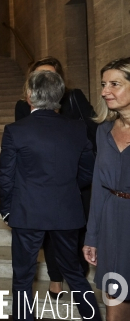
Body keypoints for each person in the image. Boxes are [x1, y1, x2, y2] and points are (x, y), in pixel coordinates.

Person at [0, 70, 101, 321]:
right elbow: (89, 169)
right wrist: (66, 188)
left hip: (26, 213)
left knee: (23, 278)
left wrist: (7, 209)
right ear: (59, 96)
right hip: (66, 212)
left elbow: (5, 176)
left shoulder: (16, 130)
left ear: (30, 95)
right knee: (74, 273)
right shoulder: (76, 129)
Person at [14, 56, 97, 296]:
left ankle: (76, 276)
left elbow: (95, 128)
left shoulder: (73, 97)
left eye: (50, 74)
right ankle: (55, 277)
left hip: (75, 178)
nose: (45, 80)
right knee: (48, 234)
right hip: (42, 181)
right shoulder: (23, 105)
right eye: (40, 75)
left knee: (74, 229)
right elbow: (25, 143)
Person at [84, 57, 130, 321]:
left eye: (115, 84)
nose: (104, 91)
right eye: (103, 84)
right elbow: (99, 187)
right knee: (116, 307)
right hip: (112, 226)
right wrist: (92, 236)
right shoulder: (103, 131)